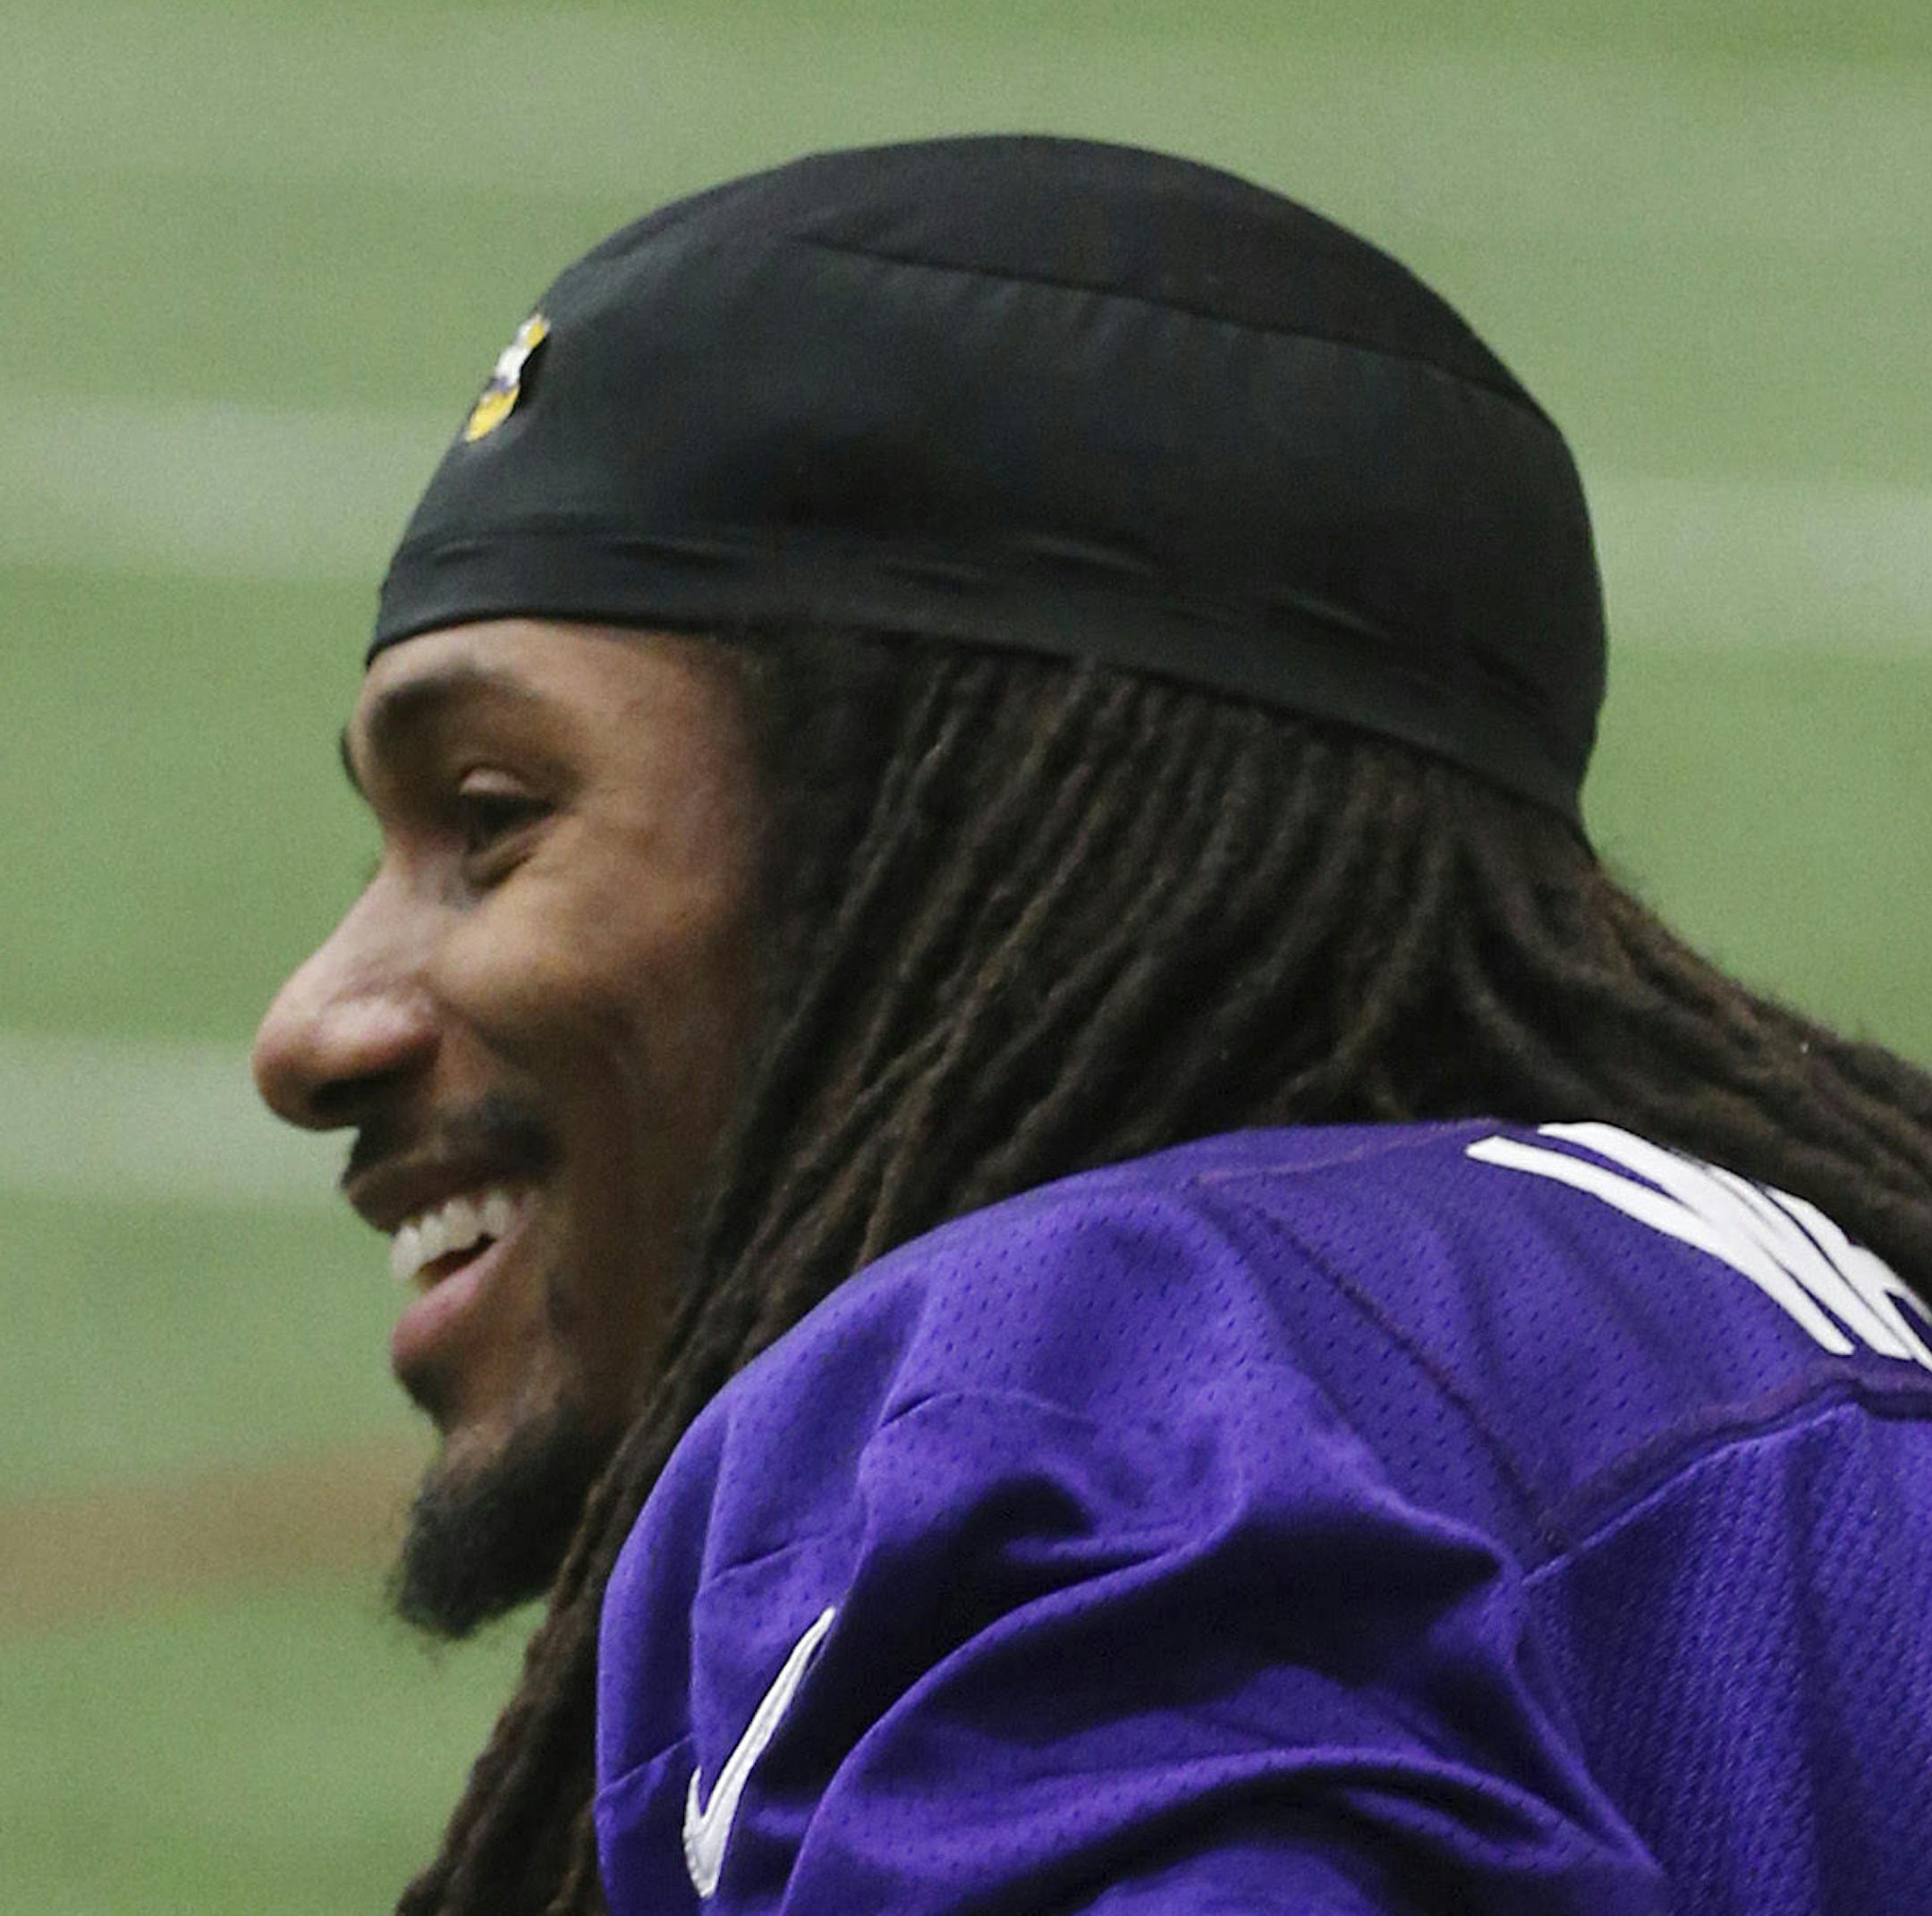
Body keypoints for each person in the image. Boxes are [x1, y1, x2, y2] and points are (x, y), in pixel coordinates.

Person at [251, 137, 1932, 1916]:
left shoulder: (1072, 1402)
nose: (310, 1030)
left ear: (944, 830)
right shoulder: (1784, 1324)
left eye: (494, 817)